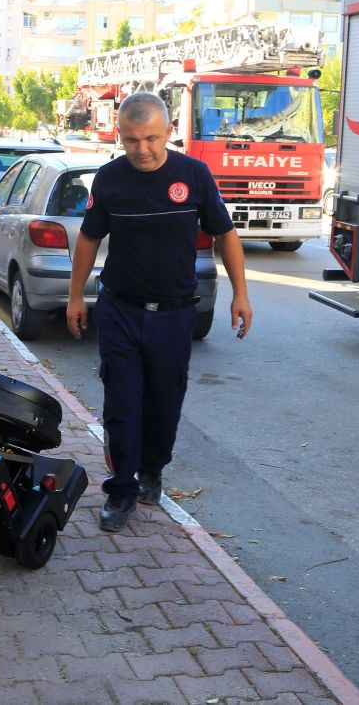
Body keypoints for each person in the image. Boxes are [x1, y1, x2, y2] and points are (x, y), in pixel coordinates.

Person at [66, 93, 252, 533]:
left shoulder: (194, 175)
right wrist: (77, 295)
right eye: (131, 140)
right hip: (121, 310)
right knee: (122, 402)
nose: (142, 149)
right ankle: (122, 488)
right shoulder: (109, 180)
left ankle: (153, 468)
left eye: (150, 138)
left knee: (165, 402)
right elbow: (89, 240)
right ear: (120, 136)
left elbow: (225, 235)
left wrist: (240, 294)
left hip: (174, 314)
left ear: (168, 132)